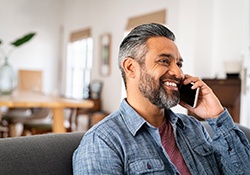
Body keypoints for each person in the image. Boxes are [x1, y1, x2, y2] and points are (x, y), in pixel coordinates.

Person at [73, 23, 250, 174]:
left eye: (179, 64)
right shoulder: (102, 142)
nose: (178, 73)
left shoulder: (193, 128)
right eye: (164, 61)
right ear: (131, 67)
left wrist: (216, 116)